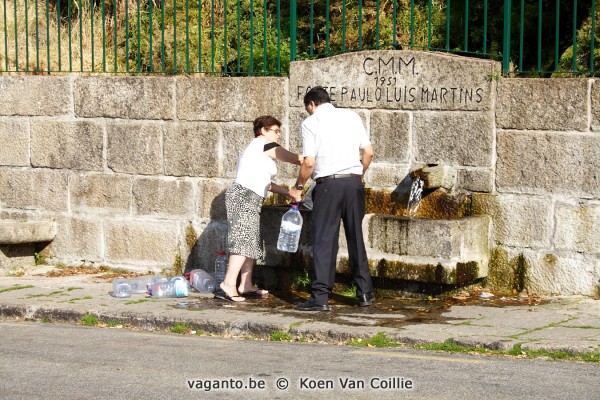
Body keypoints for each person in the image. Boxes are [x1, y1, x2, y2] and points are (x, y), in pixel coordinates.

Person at [289, 86, 375, 311]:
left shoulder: (311, 122)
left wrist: (298, 186)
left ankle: (320, 297)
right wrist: (360, 174)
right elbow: (368, 152)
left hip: (329, 185)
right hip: (354, 182)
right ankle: (365, 292)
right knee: (355, 237)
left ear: (311, 105)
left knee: (325, 240)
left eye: (308, 109)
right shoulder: (351, 116)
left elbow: (309, 162)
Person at [217, 115, 302, 302]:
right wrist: (310, 160)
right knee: (243, 238)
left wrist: (288, 192)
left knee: (251, 241)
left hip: (251, 196)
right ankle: (228, 283)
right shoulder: (263, 144)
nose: (278, 135)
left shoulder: (258, 151)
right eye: (275, 131)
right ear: (263, 131)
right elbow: (292, 158)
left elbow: (267, 184)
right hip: (244, 195)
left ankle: (245, 285)